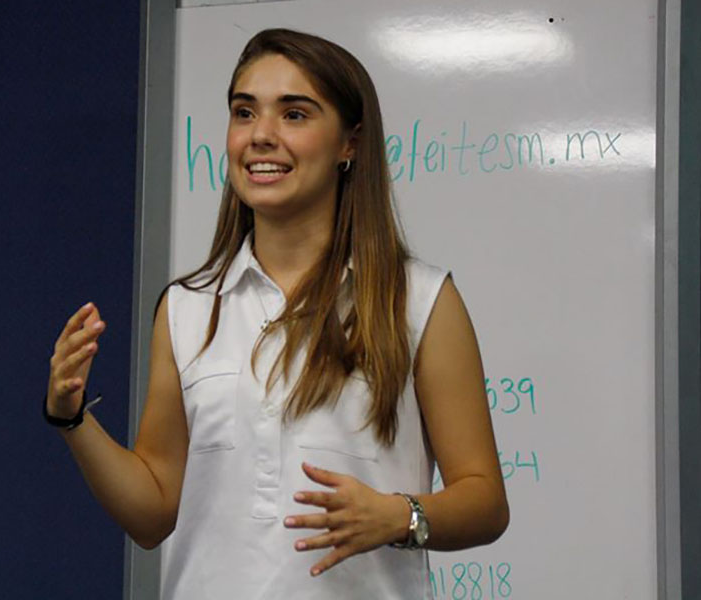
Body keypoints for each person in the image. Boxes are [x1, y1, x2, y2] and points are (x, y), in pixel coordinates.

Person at [45, 28, 508, 600]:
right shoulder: (187, 307)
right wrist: (71, 419)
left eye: (294, 114)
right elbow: (153, 514)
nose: (261, 136)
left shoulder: (420, 300)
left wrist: (399, 517)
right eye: (244, 112)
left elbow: (485, 502)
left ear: (350, 144)